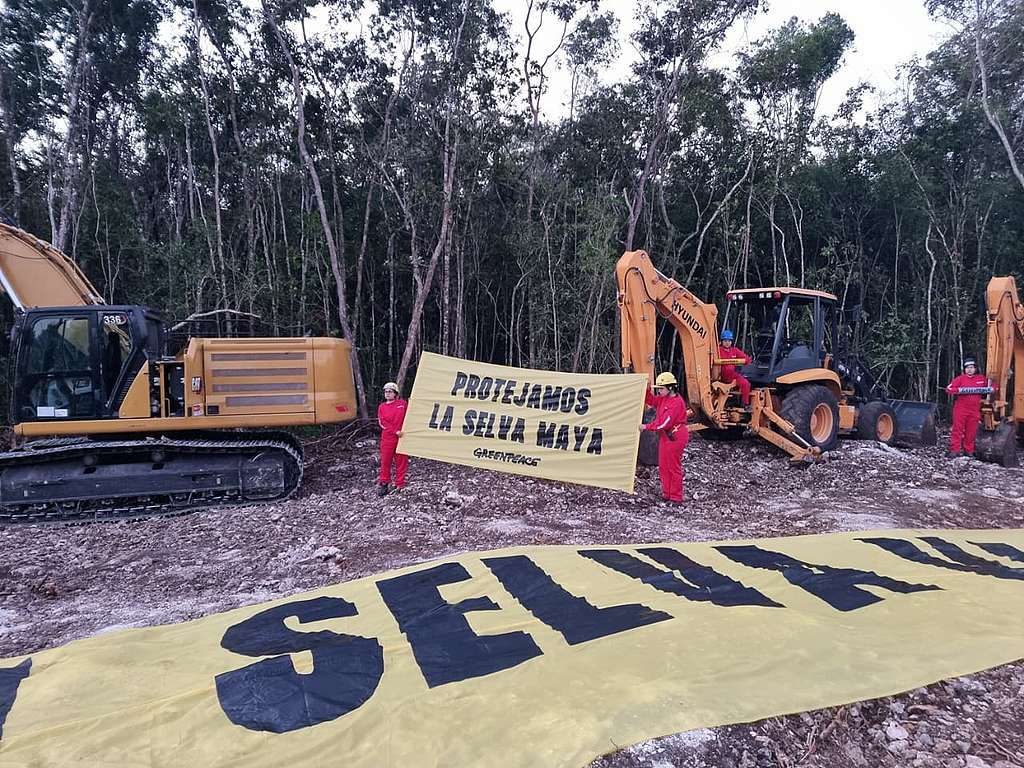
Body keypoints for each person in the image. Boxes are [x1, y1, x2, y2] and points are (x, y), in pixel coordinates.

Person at [640, 372, 690, 504]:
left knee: (673, 467)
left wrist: (646, 427)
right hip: (666, 436)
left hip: (675, 436)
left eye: (661, 388)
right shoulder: (663, 399)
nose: (659, 391)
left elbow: (664, 422)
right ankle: (667, 493)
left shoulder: (676, 403)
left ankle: (676, 497)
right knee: (663, 466)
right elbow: (651, 400)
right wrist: (646, 390)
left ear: (671, 388)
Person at [945, 357, 990, 457]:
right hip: (961, 409)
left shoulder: (981, 379)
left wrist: (993, 387)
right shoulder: (960, 379)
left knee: (971, 431)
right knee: (957, 430)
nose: (969, 369)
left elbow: (992, 386)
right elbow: (949, 389)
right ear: (964, 369)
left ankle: (968, 450)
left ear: (975, 368)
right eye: (967, 367)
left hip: (974, 410)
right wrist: (959, 390)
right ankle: (954, 450)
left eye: (971, 367)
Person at [377, 381, 408, 496]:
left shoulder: (402, 404)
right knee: (385, 461)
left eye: (390, 391)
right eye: (386, 391)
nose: (387, 393)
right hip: (388, 438)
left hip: (402, 437)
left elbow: (410, 414)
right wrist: (395, 431)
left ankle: (400, 483)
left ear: (395, 393)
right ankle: (384, 483)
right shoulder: (382, 407)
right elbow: (382, 423)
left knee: (401, 460)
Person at [718, 329, 752, 408]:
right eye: (725, 340)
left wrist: (746, 360)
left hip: (732, 376)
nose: (727, 343)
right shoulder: (718, 350)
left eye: (729, 341)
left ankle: (745, 404)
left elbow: (746, 358)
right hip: (719, 375)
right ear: (722, 341)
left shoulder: (734, 351)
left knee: (745, 384)